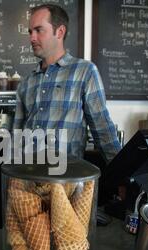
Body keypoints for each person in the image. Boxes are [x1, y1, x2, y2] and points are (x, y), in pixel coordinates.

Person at [13, 4, 121, 163]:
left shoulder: (84, 72)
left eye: (39, 30)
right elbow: (16, 135)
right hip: (27, 178)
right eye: (30, 32)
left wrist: (122, 175)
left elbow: (103, 129)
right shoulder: (26, 83)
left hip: (66, 180)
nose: (32, 38)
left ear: (60, 32)